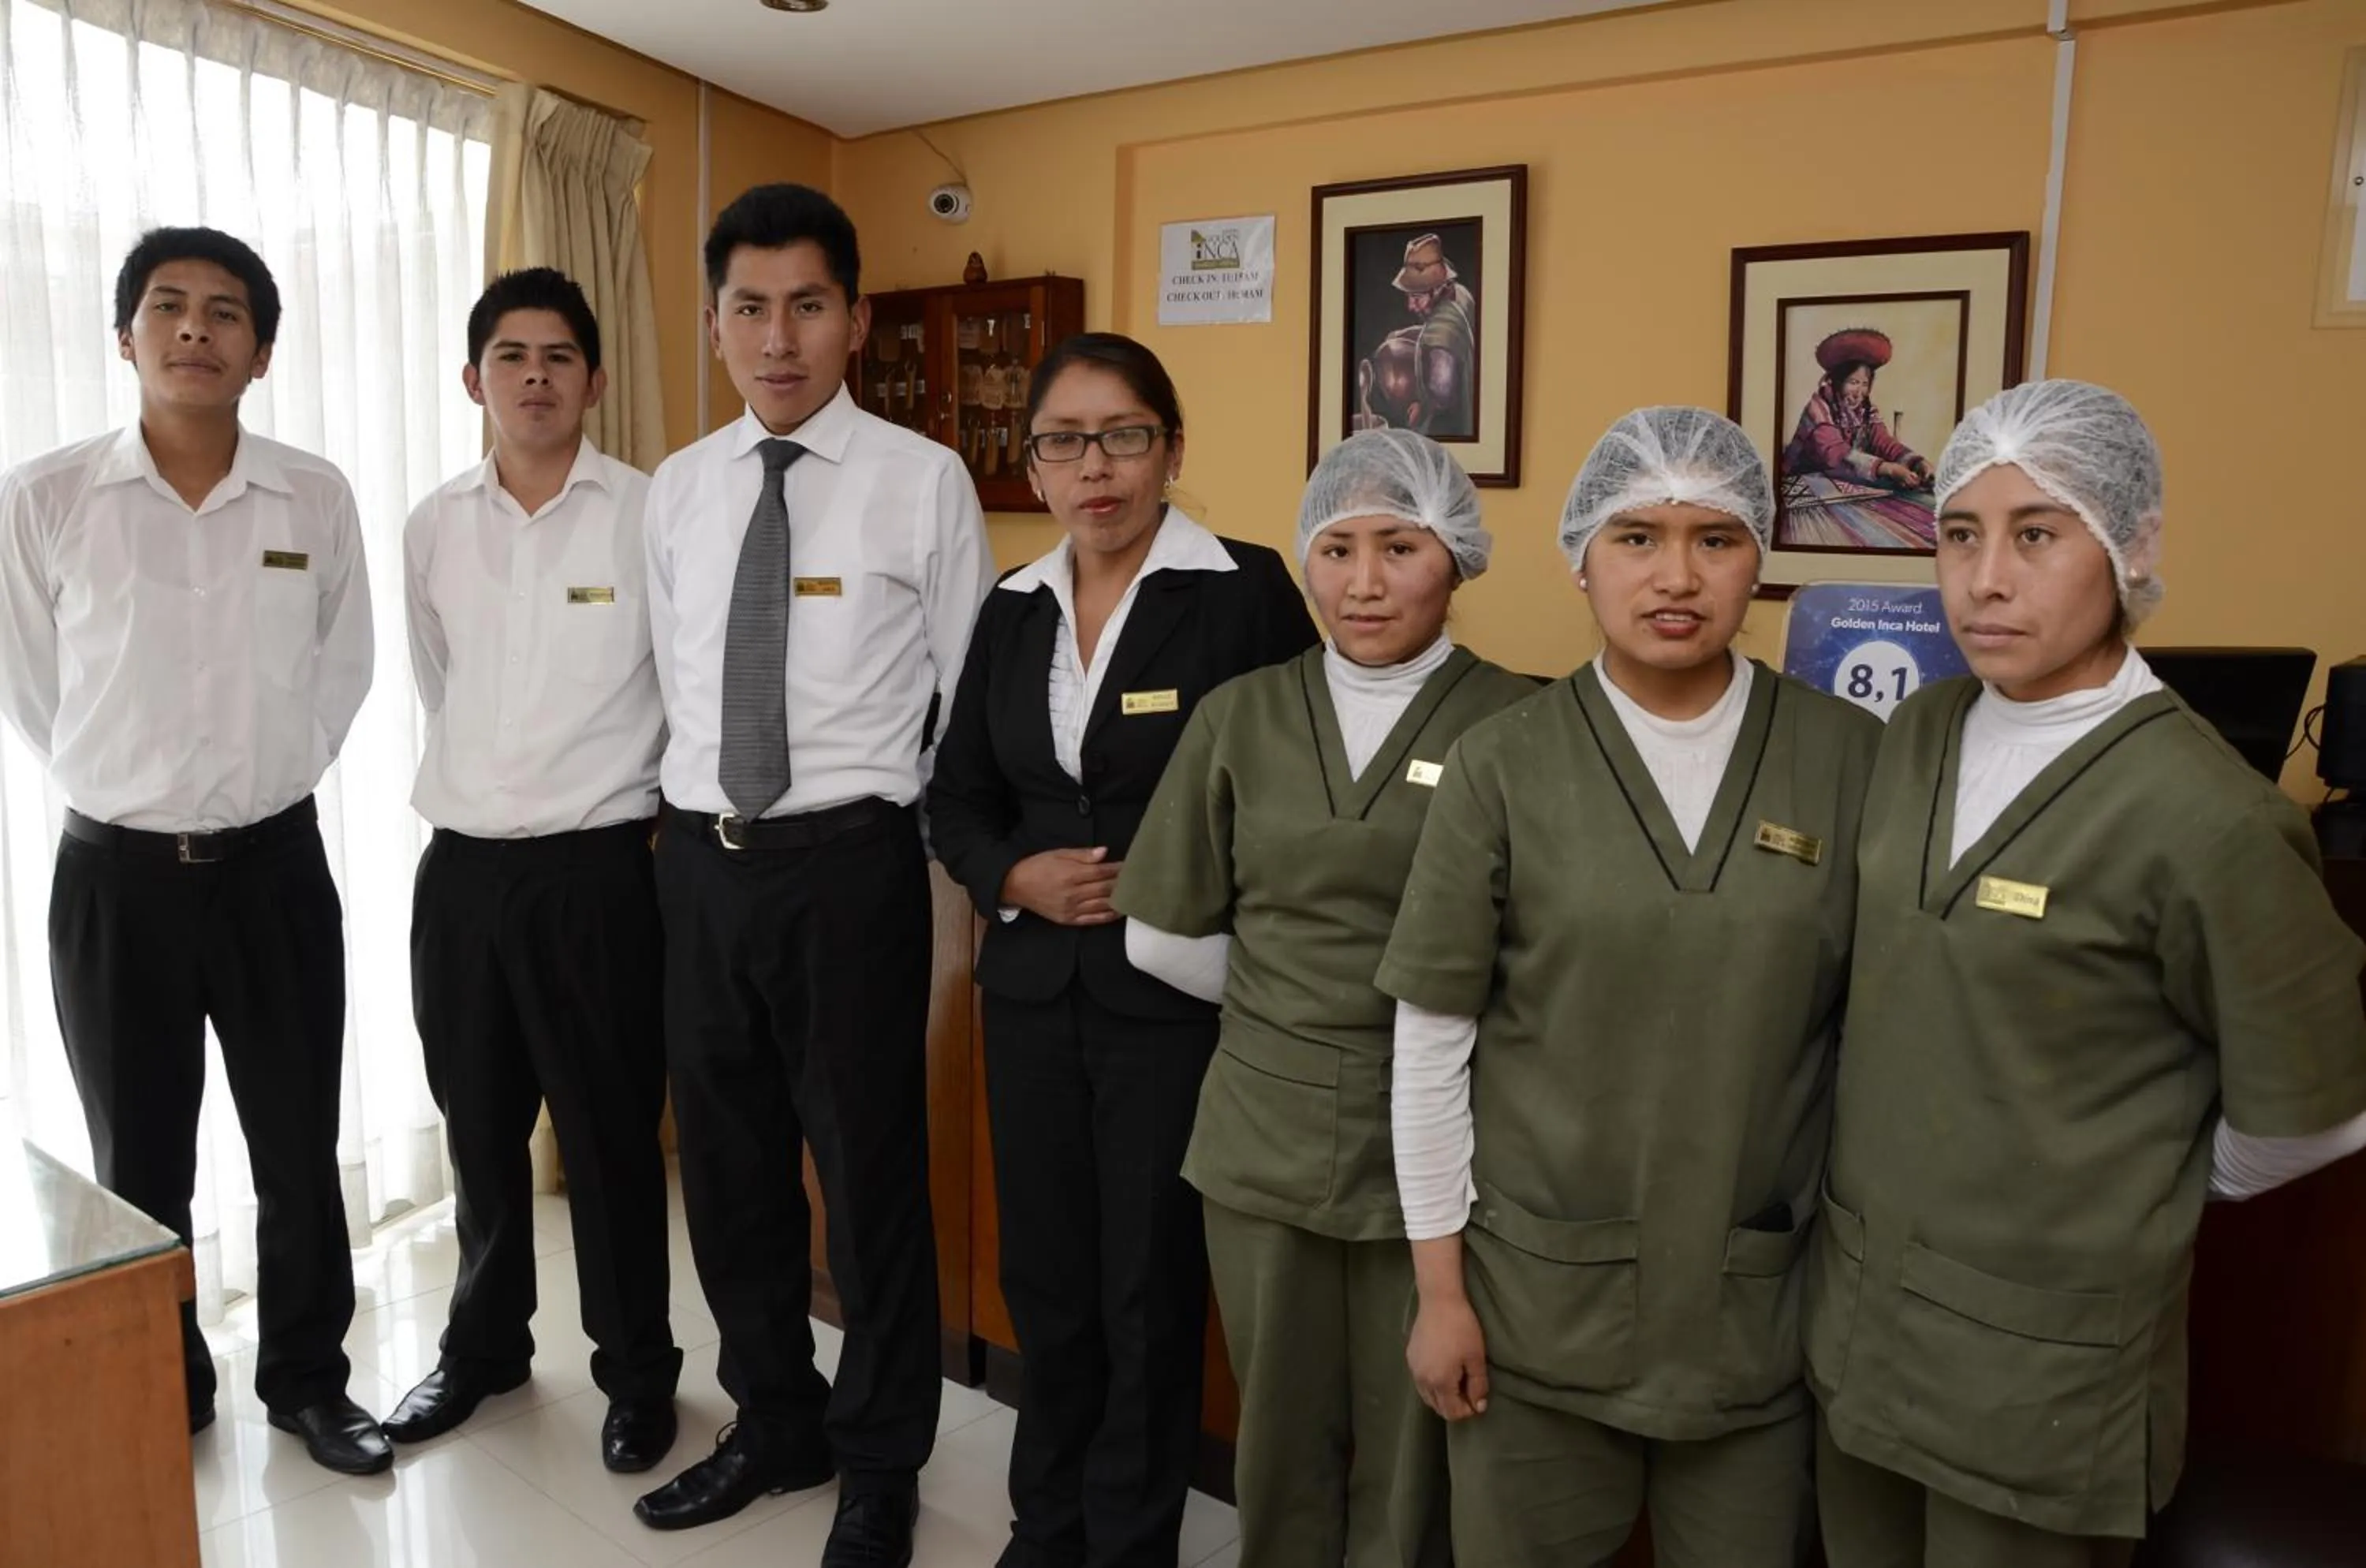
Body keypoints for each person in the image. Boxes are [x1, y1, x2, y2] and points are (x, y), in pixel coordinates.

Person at [1805, 380, 2366, 1568]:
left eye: (2037, 534)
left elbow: (2316, 1116)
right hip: (1865, 1325)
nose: (1986, 578)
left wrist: (2131, 1187)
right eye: (1960, 535)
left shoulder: (2209, 818)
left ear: (2129, 547)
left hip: (2040, 1373)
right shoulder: (1921, 737)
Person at [1375, 407, 1883, 1566]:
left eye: (1715, 539)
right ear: (1579, 561)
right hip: (1530, 1309)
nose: (1676, 574)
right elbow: (1431, 1039)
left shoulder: (1850, 758)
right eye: (1637, 537)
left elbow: (1875, 1040)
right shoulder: (1505, 763)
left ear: (1761, 560)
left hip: (1754, 1310)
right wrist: (1441, 1291)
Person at [633, 183, 995, 1566]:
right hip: (701, 866)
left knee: (871, 1173)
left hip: (850, 866)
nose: (777, 336)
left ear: (853, 318)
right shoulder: (679, 487)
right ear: (717, 321)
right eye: (749, 306)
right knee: (723, 1170)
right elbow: (668, 680)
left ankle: (880, 1453)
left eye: (807, 305)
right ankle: (773, 1417)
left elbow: (968, 695)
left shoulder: (922, 480)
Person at [927, 331, 1318, 1568]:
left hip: (1176, 1002)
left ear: (1171, 449)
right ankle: (1048, 1526)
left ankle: (1134, 1539)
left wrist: (1175, 885)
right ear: (1033, 465)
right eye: (1064, 442)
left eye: (1123, 436)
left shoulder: (1243, 590)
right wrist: (1011, 877)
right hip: (1033, 992)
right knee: (1047, 1280)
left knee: (1149, 1289)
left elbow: (1297, 786)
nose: (1094, 467)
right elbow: (957, 799)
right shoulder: (1012, 606)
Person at [0, 226, 386, 1474]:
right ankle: (167, 1379)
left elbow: (344, 671)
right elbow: (33, 684)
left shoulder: (314, 495)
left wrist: (261, 784)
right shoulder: (46, 498)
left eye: (226, 314)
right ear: (126, 337)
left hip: (274, 873)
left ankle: (310, 1384)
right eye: (168, 307)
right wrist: (135, 785)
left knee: (295, 1145)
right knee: (141, 1161)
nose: (195, 330)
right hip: (113, 879)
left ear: (260, 352)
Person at [1114, 428, 1534, 1568]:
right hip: (1266, 1137)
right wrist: (1286, 1012)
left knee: (1422, 1434)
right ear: (1305, 559)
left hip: (1452, 1141)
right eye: (1338, 547)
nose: (1364, 580)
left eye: (1400, 546)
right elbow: (1158, 934)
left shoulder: (1529, 727)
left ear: (1456, 558)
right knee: (1281, 1430)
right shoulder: (1241, 716)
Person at [384, 267, 680, 1472]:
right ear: (474, 380)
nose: (536, 377)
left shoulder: (652, 514)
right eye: (511, 356)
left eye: (559, 356)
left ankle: (638, 1374)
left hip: (599, 872)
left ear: (595, 380)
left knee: (611, 1138)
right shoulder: (433, 522)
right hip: (461, 874)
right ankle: (486, 1350)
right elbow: (434, 677)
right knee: (479, 1130)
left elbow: (686, 680)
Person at [1781, 328, 1932, 490]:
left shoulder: (1866, 411)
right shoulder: (1818, 409)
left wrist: (1917, 462)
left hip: (1840, 483)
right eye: (1853, 383)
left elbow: (1882, 442)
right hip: (1802, 485)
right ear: (1837, 381)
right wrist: (1887, 468)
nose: (1859, 393)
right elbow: (1835, 454)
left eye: (1865, 384)